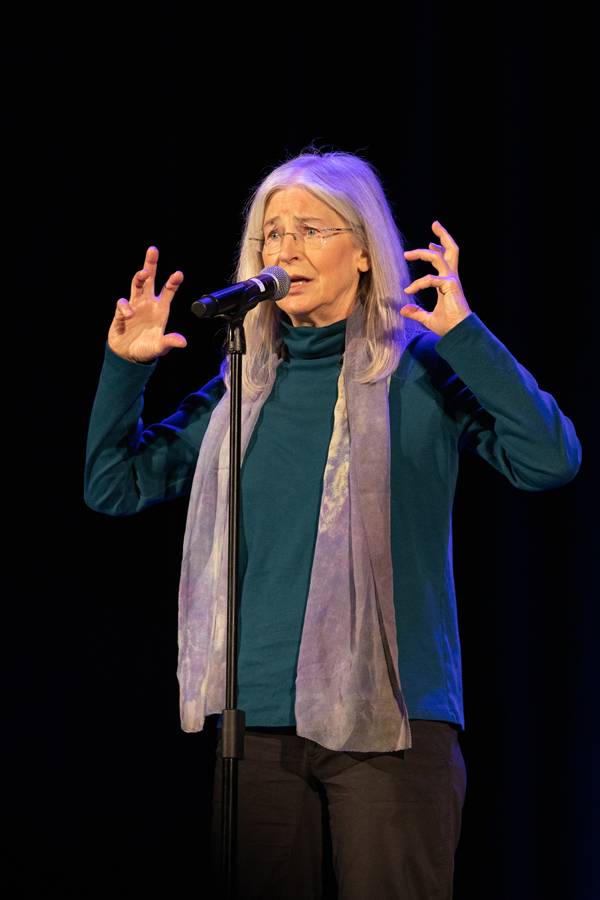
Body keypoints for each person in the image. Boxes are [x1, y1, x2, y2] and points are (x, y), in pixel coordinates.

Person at [85, 150, 581, 899]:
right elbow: (113, 487)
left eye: (310, 229)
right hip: (250, 724)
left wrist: (466, 337)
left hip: (392, 722)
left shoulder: (420, 369)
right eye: (270, 234)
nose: (284, 249)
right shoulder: (240, 385)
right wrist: (127, 368)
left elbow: (549, 460)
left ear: (363, 253)